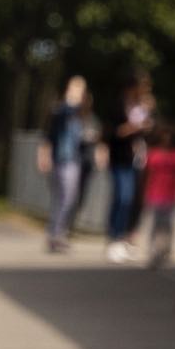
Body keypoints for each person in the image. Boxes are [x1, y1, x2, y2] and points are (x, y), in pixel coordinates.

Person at [38, 75, 97, 254]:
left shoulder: (82, 114)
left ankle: (58, 233)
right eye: (75, 88)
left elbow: (87, 130)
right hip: (61, 159)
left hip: (75, 160)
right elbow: (48, 135)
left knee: (68, 199)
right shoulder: (61, 111)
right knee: (63, 198)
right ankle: (56, 234)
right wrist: (44, 155)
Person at [103, 75, 153, 262]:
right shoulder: (119, 106)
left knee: (134, 201)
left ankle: (126, 237)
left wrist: (148, 118)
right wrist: (134, 127)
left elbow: (151, 130)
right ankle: (114, 237)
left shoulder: (144, 106)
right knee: (122, 197)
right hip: (120, 158)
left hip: (138, 159)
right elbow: (112, 132)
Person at [142, 120, 175, 267]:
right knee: (156, 223)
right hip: (155, 191)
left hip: (171, 192)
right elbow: (147, 174)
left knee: (168, 223)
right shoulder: (153, 153)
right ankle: (153, 250)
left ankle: (165, 248)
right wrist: (144, 191)